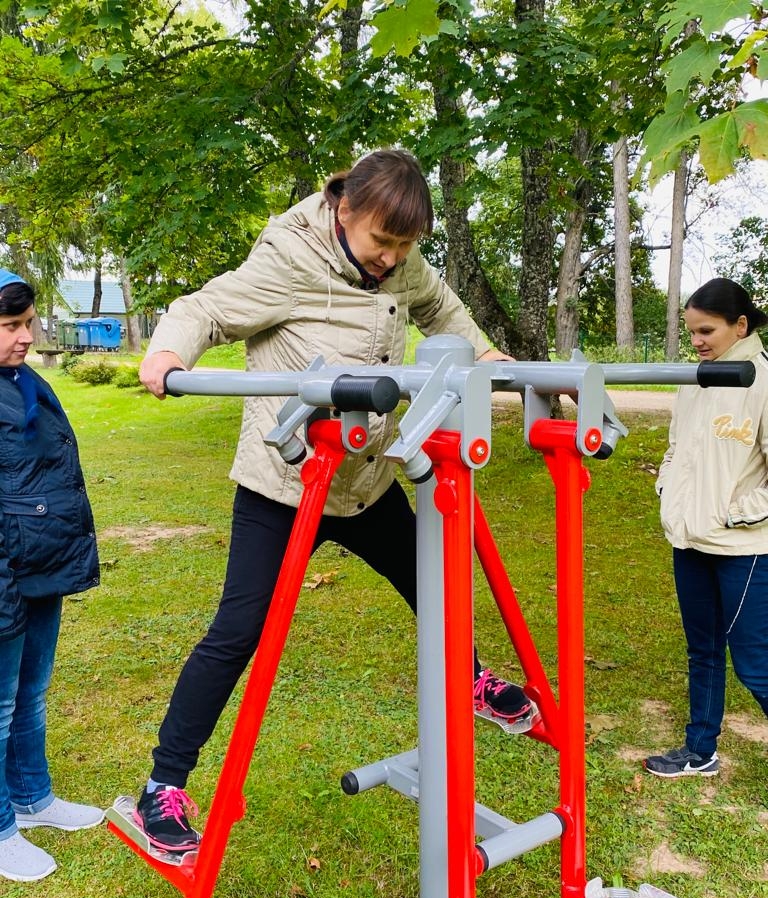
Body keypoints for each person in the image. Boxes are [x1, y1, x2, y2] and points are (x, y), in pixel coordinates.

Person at [134, 149, 538, 852]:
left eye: (405, 247)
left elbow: (441, 308)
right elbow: (205, 308)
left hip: (366, 478)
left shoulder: (403, 263)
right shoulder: (289, 258)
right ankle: (162, 787)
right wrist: (168, 356)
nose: (391, 260)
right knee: (238, 633)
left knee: (432, 583)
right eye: (382, 242)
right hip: (287, 482)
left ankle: (469, 678)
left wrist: (485, 352)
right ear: (344, 210)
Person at [0, 269, 104, 882]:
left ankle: (33, 798)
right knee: (0, 702)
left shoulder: (27, 383)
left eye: (28, 323)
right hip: (5, 573)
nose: (26, 337)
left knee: (31, 694)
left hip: (40, 566)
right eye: (11, 326)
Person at [645, 277, 768, 779]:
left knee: (755, 665)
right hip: (690, 540)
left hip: (744, 549)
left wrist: (731, 514)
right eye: (692, 330)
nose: (697, 340)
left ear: (740, 325)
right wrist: (668, 492)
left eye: (706, 330)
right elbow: (678, 446)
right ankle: (700, 750)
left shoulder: (761, 380)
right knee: (703, 651)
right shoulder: (694, 378)